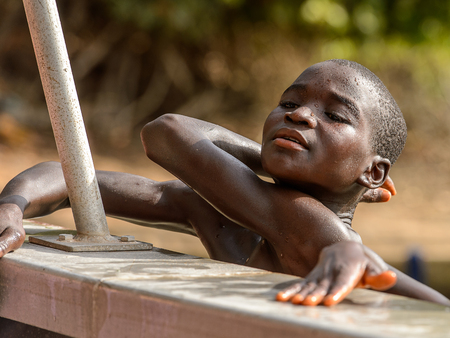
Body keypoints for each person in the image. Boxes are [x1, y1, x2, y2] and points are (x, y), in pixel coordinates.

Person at [0, 59, 448, 306]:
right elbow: (69, 178)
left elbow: (169, 132)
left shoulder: (318, 229)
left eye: (334, 116)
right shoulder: (225, 220)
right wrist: (12, 205)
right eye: (289, 102)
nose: (299, 114)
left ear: (373, 174)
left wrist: (347, 248)